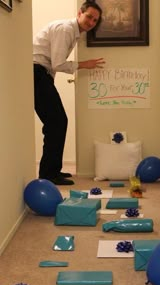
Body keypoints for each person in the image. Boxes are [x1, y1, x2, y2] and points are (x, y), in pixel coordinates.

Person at [33, 1, 105, 185]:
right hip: (36, 73)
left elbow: (53, 64)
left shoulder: (73, 34)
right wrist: (83, 65)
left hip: (42, 74)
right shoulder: (65, 29)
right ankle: (49, 174)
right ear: (80, 13)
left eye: (95, 20)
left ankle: (52, 170)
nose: (91, 22)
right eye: (89, 16)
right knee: (57, 122)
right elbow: (57, 63)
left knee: (56, 122)